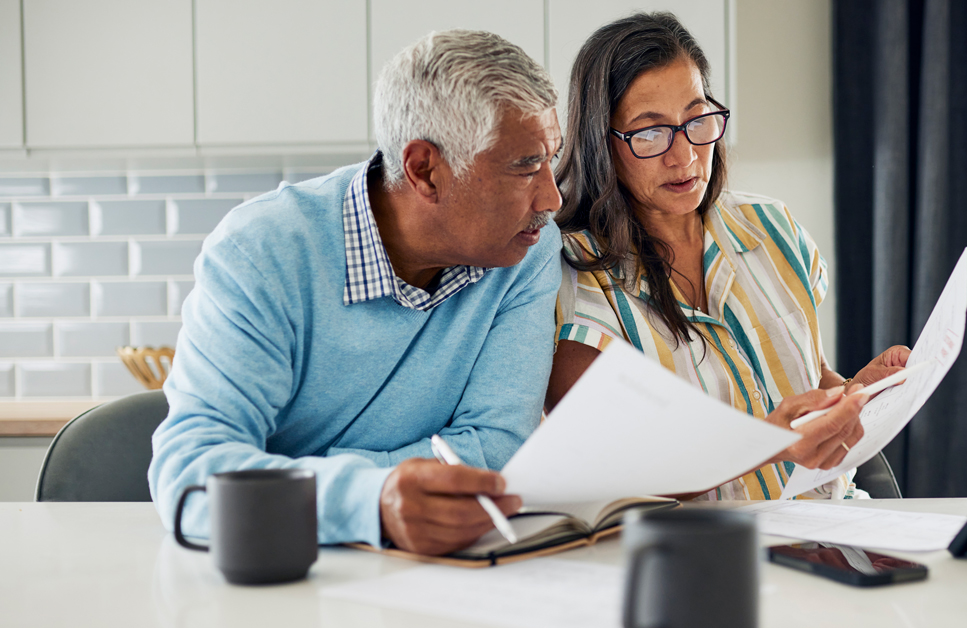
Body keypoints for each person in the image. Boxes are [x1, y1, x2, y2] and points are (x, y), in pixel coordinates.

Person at [150, 30, 563, 556]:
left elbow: (496, 451)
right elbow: (192, 473)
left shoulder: (527, 249)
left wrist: (307, 485)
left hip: (436, 572)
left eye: (552, 158)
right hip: (279, 569)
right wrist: (371, 501)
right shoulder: (261, 251)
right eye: (525, 166)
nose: (551, 196)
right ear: (425, 171)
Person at [547, 13, 909, 500]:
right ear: (602, 143)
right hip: (705, 557)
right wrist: (769, 444)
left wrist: (854, 394)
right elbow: (614, 470)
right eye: (650, 134)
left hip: (836, 528)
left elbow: (807, 374)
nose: (685, 157)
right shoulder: (570, 280)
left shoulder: (772, 227)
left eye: (697, 120)